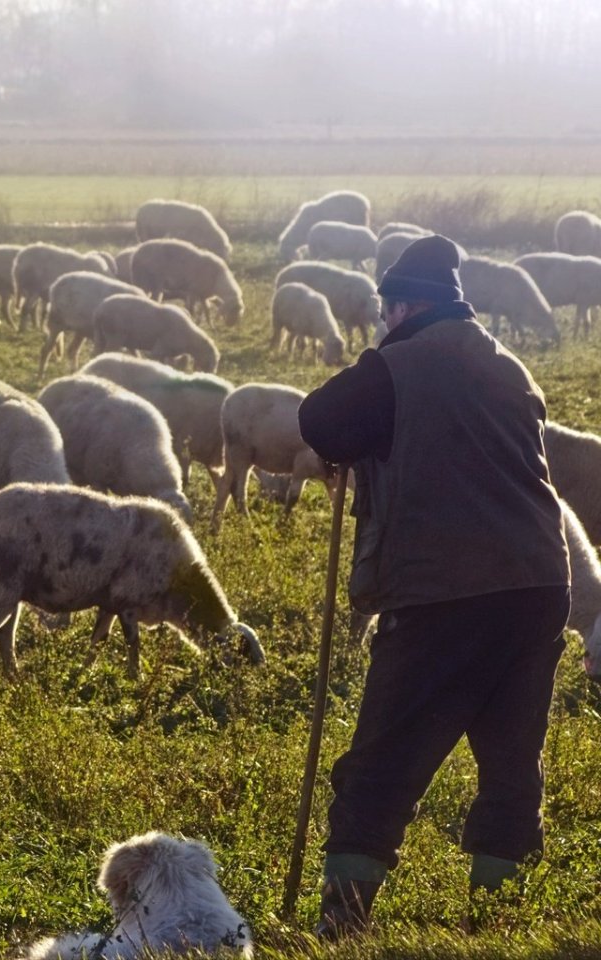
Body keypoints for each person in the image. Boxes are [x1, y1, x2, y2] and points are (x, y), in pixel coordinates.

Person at [297, 234, 570, 938]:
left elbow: (321, 420)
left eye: (388, 310)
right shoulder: (510, 367)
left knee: (384, 756)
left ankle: (343, 925)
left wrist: (374, 370)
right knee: (512, 761)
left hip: (446, 589)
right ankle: (498, 924)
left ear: (402, 306)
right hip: (538, 586)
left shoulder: (401, 363)